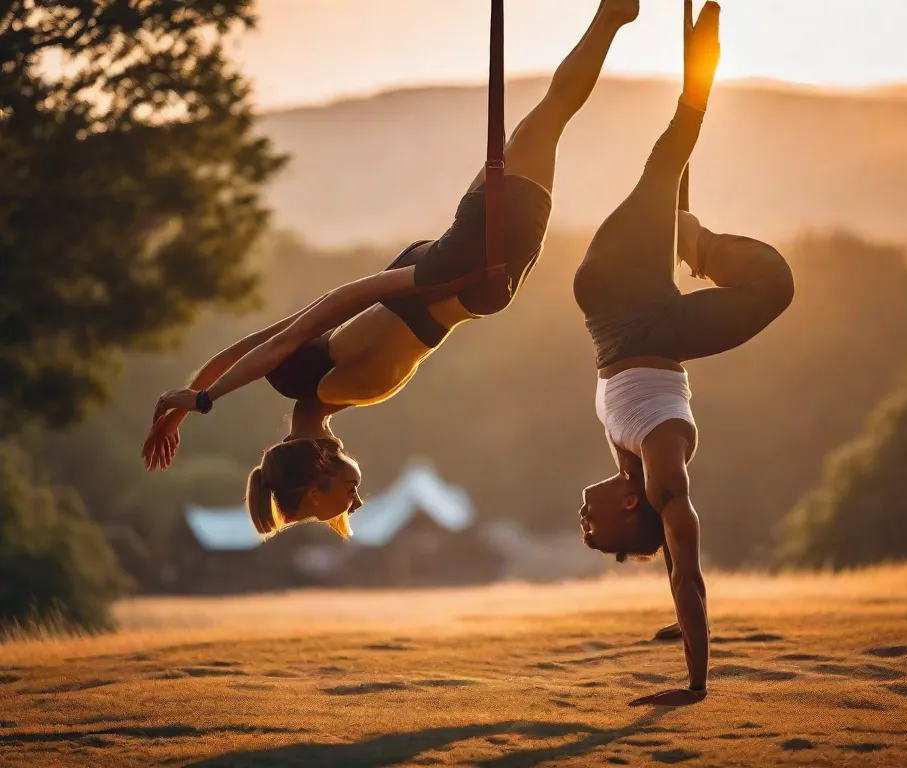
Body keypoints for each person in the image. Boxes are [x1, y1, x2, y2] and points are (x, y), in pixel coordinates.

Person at [143, 0, 643, 540]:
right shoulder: (317, 394)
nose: (351, 507)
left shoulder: (331, 377)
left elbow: (302, 328)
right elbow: (251, 349)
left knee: (552, 115)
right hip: (459, 261)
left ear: (316, 482)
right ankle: (611, 17)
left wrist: (200, 401)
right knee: (546, 116)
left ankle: (612, 15)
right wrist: (189, 403)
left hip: (466, 268)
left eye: (328, 506)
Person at [572, 1, 795, 707]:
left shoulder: (637, 460)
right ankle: (693, 227)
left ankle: (689, 236)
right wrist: (693, 683)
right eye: (599, 533)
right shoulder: (661, 460)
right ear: (635, 504)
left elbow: (670, 555)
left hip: (628, 309)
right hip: (642, 313)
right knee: (769, 278)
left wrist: (673, 604)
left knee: (670, 162)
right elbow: (686, 569)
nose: (585, 523)